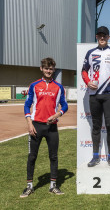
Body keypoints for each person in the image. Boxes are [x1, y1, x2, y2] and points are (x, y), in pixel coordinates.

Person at [21, 57, 68, 198]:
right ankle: (29, 186)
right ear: (41, 69)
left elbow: (65, 105)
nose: (48, 71)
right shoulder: (34, 85)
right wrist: (29, 123)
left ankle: (53, 185)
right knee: (32, 157)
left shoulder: (59, 87)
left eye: (51, 69)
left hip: (51, 127)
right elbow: (27, 105)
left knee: (53, 156)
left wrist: (57, 114)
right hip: (36, 126)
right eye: (46, 68)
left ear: (54, 70)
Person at [81, 26, 110, 168]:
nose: (102, 38)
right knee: (96, 127)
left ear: (109, 37)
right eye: (100, 35)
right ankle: (95, 157)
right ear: (96, 37)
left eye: (104, 36)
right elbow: (83, 71)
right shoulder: (90, 53)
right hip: (94, 95)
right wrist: (87, 82)